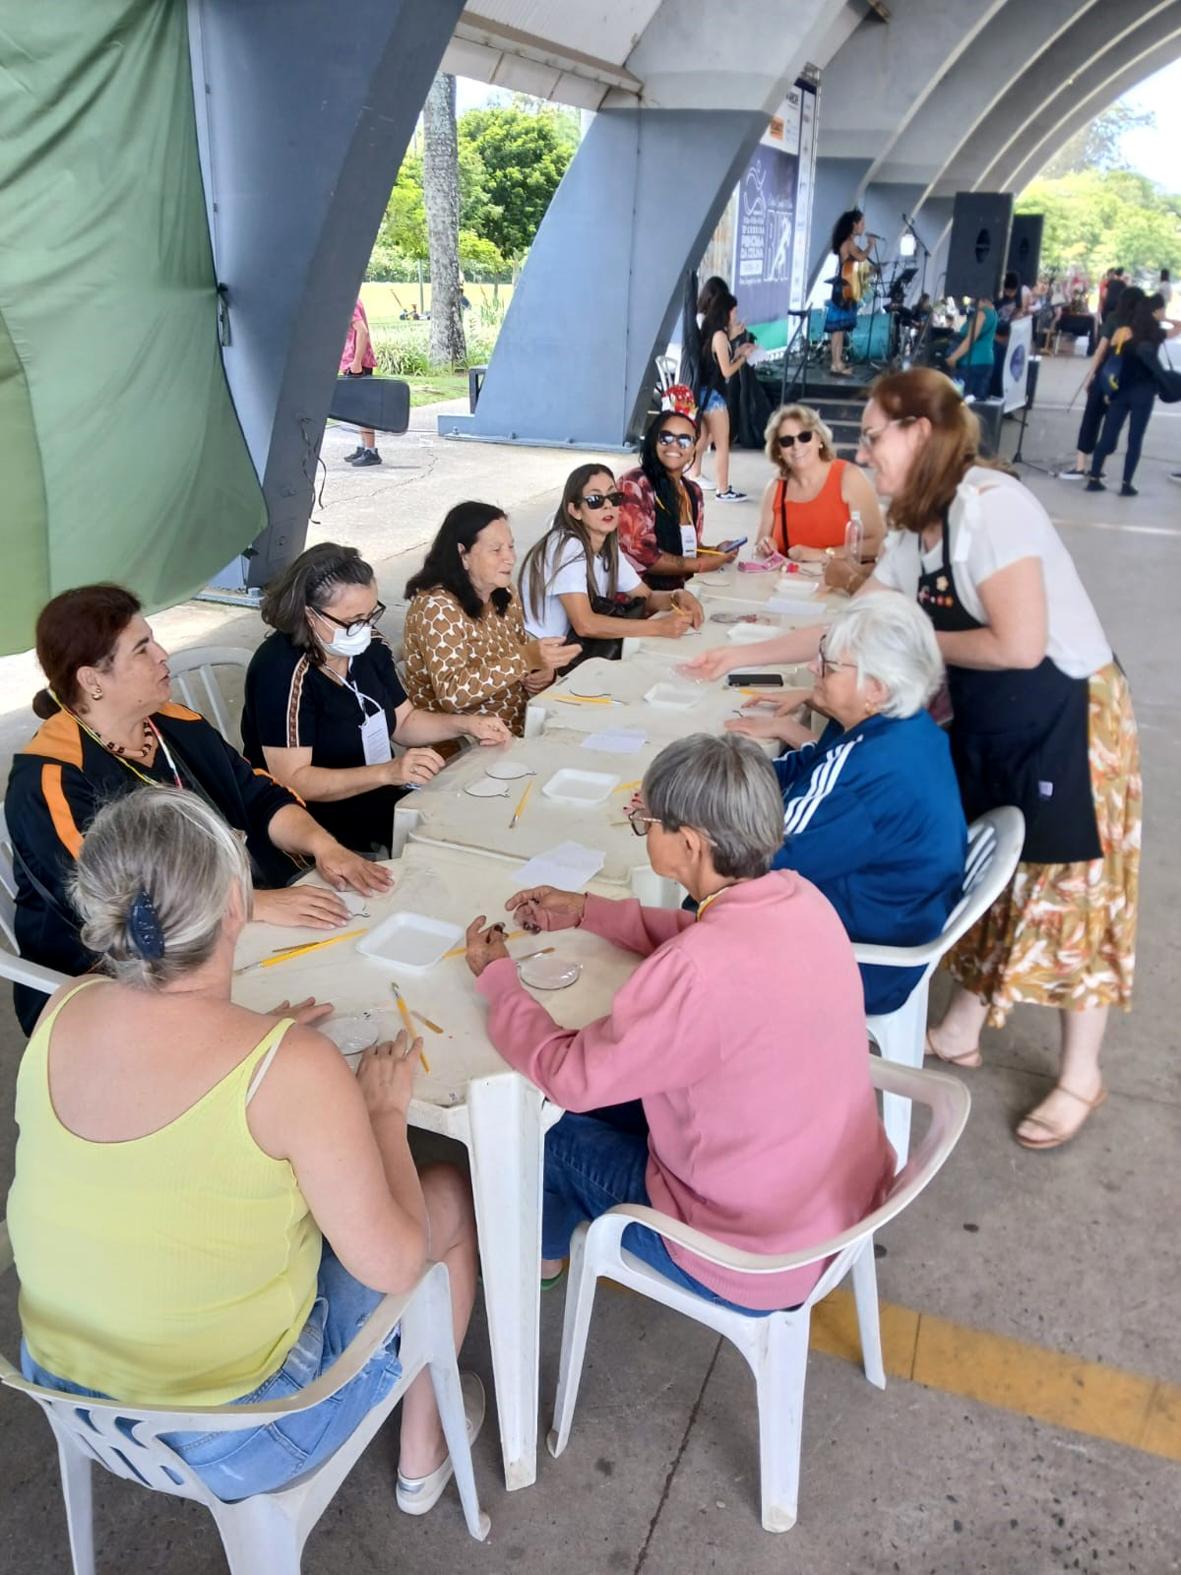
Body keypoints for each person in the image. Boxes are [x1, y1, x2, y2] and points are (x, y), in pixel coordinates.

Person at [682, 369, 1140, 1152]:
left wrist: (899, 645)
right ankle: (962, 1021)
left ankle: (1080, 1075)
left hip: (1066, 715)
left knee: (1066, 891)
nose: (863, 451)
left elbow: (1017, 642)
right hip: (988, 716)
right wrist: (741, 651)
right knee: (983, 867)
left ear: (919, 433)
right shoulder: (913, 525)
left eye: (872, 436)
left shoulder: (988, 509)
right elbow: (857, 626)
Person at [7, 788, 482, 1514]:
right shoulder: (292, 1068)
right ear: (238, 903)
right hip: (230, 1435)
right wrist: (381, 1108)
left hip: (65, 1391)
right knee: (444, 1191)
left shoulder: (64, 1008)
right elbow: (393, 1262)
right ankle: (423, 1455)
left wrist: (256, 1041)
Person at [461, 733, 895, 1309]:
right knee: (607, 1099)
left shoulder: (694, 973)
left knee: (537, 1127)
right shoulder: (800, 898)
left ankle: (538, 1262)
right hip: (826, 1205)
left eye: (649, 824)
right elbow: (707, 938)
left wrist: (499, 982)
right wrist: (592, 912)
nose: (646, 833)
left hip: (747, 1255)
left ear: (687, 843)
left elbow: (568, 1074)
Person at [5, 585, 391, 1037]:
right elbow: (116, 907)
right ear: (93, 680)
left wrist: (326, 847)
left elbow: (260, 797)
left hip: (220, 930)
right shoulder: (50, 780)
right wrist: (248, 903)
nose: (164, 655)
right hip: (111, 976)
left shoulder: (173, 724)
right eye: (142, 649)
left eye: (155, 640)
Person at [726, 596, 967, 1016]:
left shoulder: (874, 769)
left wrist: (691, 818)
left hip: (860, 957)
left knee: (691, 905)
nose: (813, 670)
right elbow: (807, 770)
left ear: (876, 688)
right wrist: (718, 784)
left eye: (830, 665)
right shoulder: (898, 728)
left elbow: (766, 859)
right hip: (890, 918)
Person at [242, 544, 511, 857]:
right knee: (440, 847)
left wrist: (467, 724)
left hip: (370, 791)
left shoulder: (366, 647)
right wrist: (388, 772)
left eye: (371, 614)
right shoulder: (282, 671)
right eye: (354, 619)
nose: (365, 628)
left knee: (469, 820)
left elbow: (404, 721)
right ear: (309, 615)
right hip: (307, 818)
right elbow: (293, 781)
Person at [401, 502, 580, 736]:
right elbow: (452, 692)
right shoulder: (437, 607)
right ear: (462, 554)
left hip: (521, 726)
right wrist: (525, 660)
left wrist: (542, 674)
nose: (510, 558)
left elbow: (520, 657)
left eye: (511, 547)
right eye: (496, 550)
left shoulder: (503, 593)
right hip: (468, 747)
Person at [519, 464, 704, 660]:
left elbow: (646, 596)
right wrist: (659, 627)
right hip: (542, 661)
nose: (608, 506)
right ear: (575, 510)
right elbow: (585, 624)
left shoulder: (607, 544)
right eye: (595, 500)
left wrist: (677, 596)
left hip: (569, 653)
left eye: (613, 498)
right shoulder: (567, 545)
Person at [617, 407, 738, 594]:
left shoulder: (693, 492)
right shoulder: (635, 484)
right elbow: (643, 554)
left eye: (684, 439)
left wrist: (715, 551)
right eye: (666, 437)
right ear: (653, 441)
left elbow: (687, 550)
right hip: (641, 601)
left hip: (682, 593)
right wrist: (700, 564)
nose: (674, 445)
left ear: (693, 448)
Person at [753, 403, 885, 562]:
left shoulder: (849, 477)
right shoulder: (775, 488)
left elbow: (877, 543)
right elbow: (758, 549)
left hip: (842, 583)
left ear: (819, 439)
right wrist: (765, 546)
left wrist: (823, 554)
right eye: (786, 441)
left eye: (804, 436)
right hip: (788, 584)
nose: (796, 446)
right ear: (778, 451)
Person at [1088, 294, 1173, 496]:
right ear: (1155, 312)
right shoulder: (1156, 334)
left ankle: (1094, 477)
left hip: (1121, 390)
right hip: (1144, 393)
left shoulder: (1124, 332)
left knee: (1108, 433)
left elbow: (1111, 356)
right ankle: (1126, 484)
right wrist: (1166, 320)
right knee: (1135, 439)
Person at [1059, 287, 1145, 482]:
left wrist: (1090, 374)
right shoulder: (1141, 324)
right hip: (1126, 380)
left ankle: (1081, 466)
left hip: (1106, 374)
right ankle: (1098, 467)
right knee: (1112, 424)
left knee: (1091, 417)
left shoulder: (1114, 319)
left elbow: (1101, 348)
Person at [687, 287, 755, 501]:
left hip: (705, 394)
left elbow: (718, 363)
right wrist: (743, 358)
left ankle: (687, 474)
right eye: (733, 311)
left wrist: (737, 349)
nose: (736, 314)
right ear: (726, 311)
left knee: (703, 439)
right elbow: (726, 371)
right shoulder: (719, 335)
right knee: (722, 443)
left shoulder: (713, 332)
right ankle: (723, 489)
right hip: (714, 398)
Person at [825, 210, 874, 376]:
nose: (863, 226)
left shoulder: (849, 242)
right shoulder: (848, 243)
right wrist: (870, 246)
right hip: (843, 289)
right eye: (862, 223)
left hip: (845, 287)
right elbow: (860, 258)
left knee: (839, 330)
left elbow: (856, 266)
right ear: (854, 224)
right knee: (837, 329)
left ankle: (837, 363)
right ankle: (835, 363)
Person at [340, 298, 380, 467]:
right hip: (352, 360)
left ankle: (371, 450)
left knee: (363, 406)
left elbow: (363, 331)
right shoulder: (352, 298)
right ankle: (363, 446)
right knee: (357, 406)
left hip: (358, 363)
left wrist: (356, 362)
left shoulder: (350, 301)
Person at [944, 294, 998, 401]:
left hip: (972, 361)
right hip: (986, 360)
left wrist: (953, 357)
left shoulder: (981, 314)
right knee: (978, 402)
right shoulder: (993, 312)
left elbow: (970, 339)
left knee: (961, 401)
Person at [989, 272, 1029, 397]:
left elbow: (1018, 313)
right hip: (995, 339)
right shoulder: (996, 300)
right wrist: (996, 336)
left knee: (1005, 373)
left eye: (1013, 291)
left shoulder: (1016, 300)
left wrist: (1018, 317)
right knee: (995, 372)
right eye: (1008, 290)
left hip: (1008, 340)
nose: (1010, 294)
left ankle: (1002, 398)